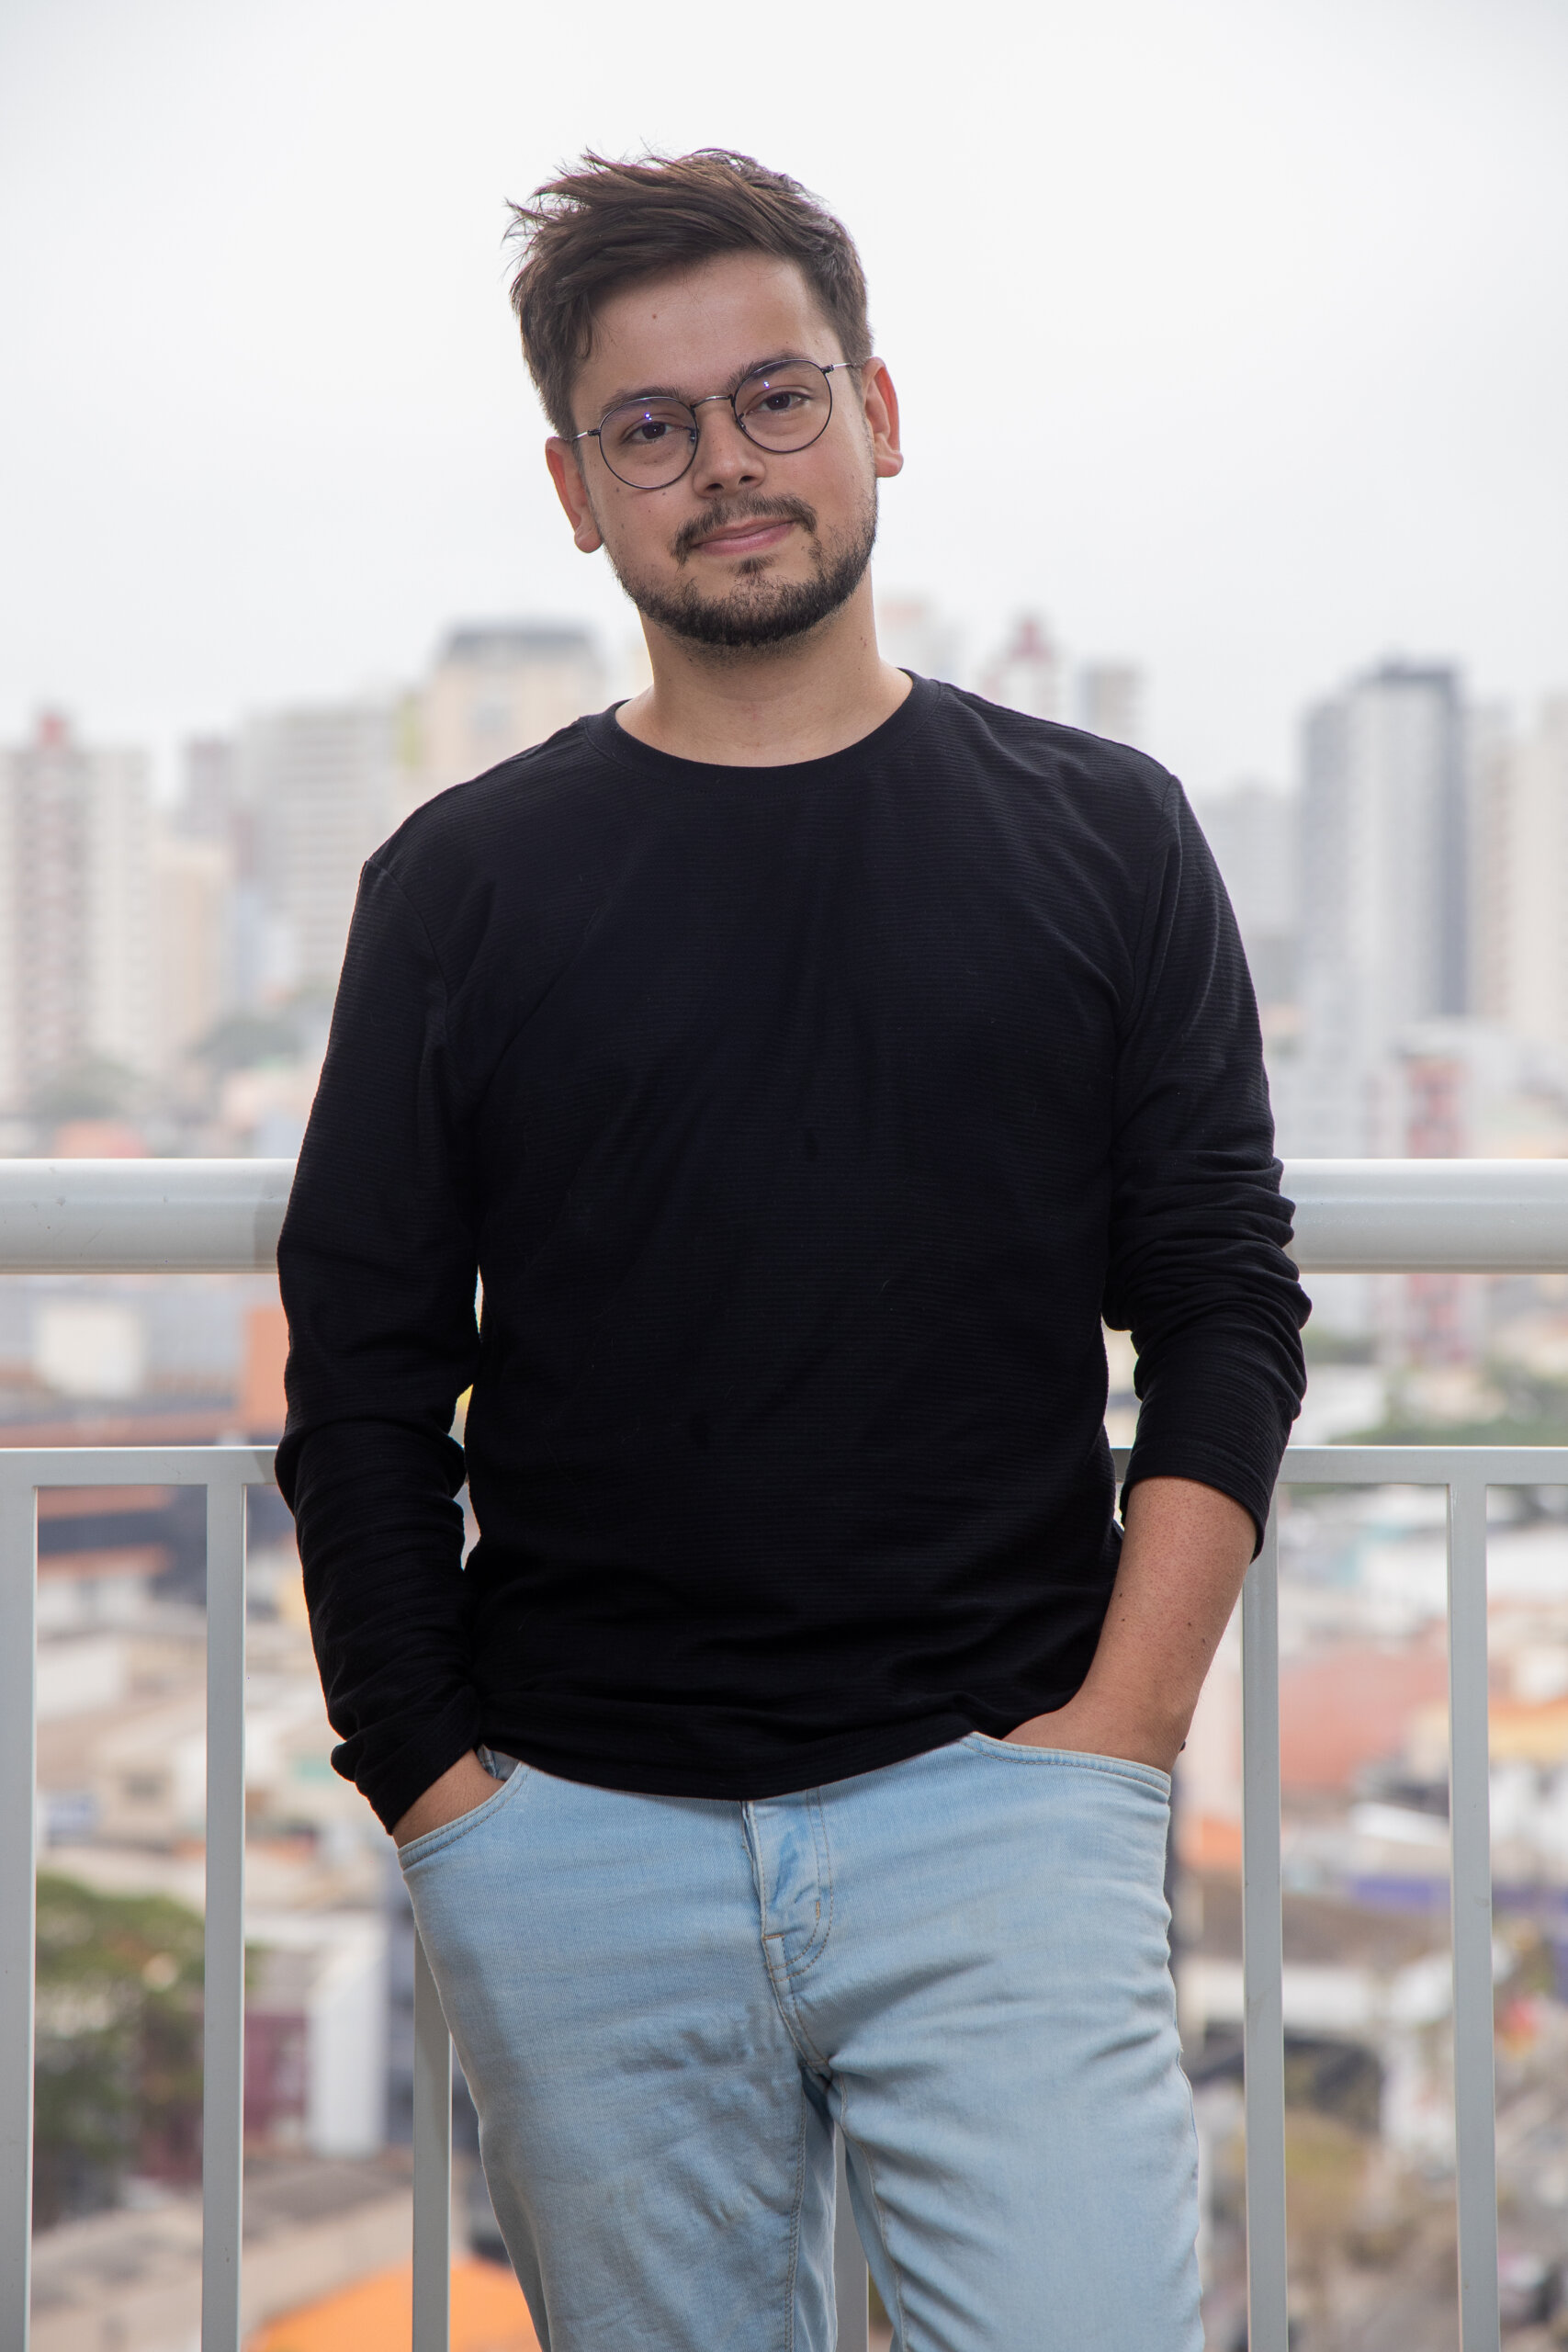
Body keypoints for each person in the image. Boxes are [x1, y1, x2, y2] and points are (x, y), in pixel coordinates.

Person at [276, 148, 1308, 2352]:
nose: (725, 466)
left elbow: (1222, 1296)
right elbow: (358, 1372)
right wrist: (442, 1795)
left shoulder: (1104, 829)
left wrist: (1117, 1733)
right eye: (650, 429)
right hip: (574, 1835)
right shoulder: (460, 884)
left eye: (774, 397)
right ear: (576, 490)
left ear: (876, 413)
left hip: (1002, 1804)